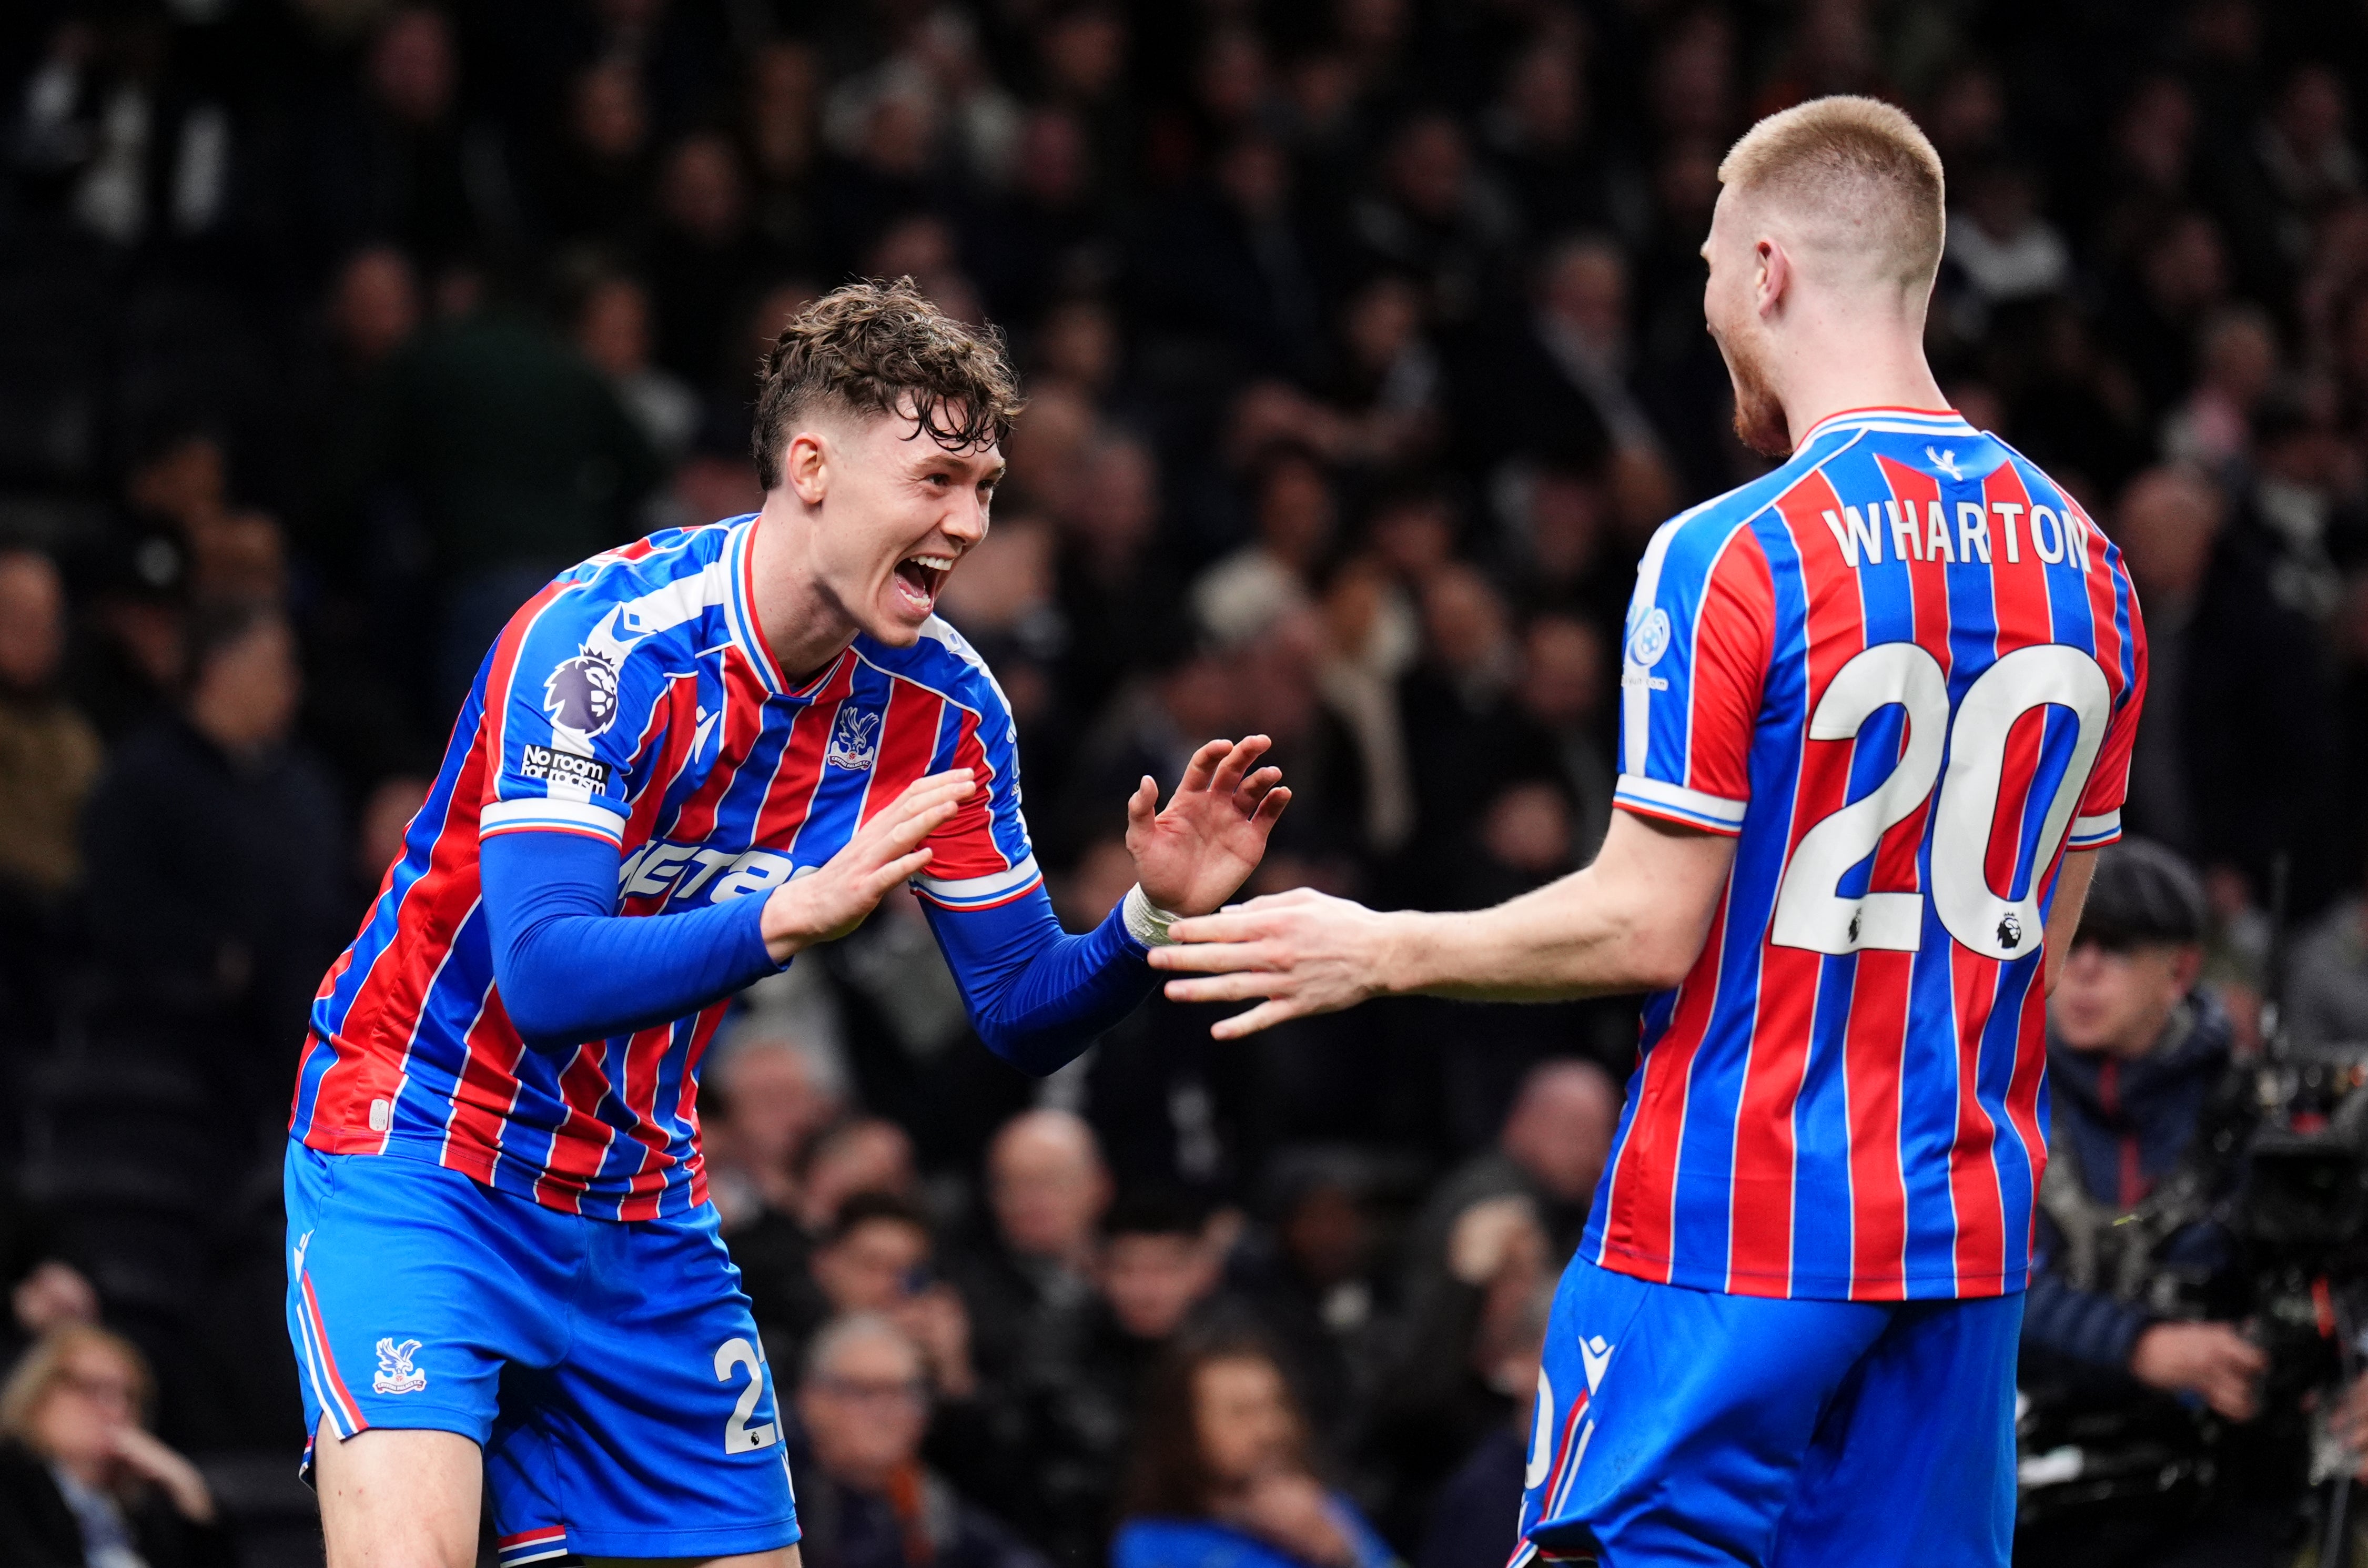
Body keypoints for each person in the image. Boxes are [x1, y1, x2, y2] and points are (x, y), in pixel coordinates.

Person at [1155, 96, 2148, 1567]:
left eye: (1702, 270)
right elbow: (2034, 950)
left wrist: (1382, 947)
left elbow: (1642, 920)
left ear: (1762, 269)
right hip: (1960, 1229)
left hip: (1733, 1219)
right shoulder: (2090, 561)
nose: (1704, 310)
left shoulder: (1732, 547)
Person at [284, 279, 1291, 1568]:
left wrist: (1150, 914)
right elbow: (540, 971)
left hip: (636, 1193)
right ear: (809, 464)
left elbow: (1027, 1009)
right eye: (935, 477)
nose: (967, 523)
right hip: (422, 1148)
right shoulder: (602, 644)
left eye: (985, 488)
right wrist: (783, 914)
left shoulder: (946, 707)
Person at [2016, 839, 2273, 1567]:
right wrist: (2140, 1345)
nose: (2084, 969)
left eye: (2117, 947)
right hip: (2026, 1477)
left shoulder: (2247, 1112)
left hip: (2209, 1484)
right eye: (2072, 940)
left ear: (2180, 970)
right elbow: (1980, 1281)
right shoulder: (2000, 1095)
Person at [1111, 1333, 1393, 1568]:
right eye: (1241, 1413)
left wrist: (1343, 1554)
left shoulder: (1327, 1509)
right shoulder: (1153, 1543)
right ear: (1184, 1430)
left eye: (1277, 1405)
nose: (1268, 1430)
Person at [788, 1314, 1046, 1568]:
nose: (886, 1414)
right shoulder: (775, 1496)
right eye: (865, 1392)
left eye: (904, 1393)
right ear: (812, 1399)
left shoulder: (932, 1506)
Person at [0, 1324, 229, 1567]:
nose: (116, 1410)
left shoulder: (147, 1508)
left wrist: (189, 1491)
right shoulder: (11, 1491)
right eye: (93, 1388)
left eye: (129, 1396)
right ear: (38, 1396)